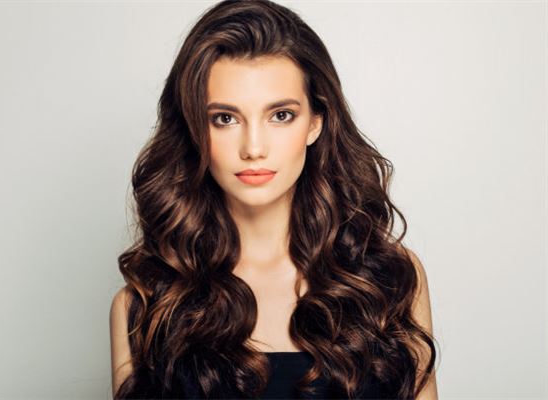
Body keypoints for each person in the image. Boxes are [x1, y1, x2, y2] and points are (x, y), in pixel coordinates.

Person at [110, 0, 439, 398]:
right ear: (194, 129)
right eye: (224, 118)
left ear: (315, 122)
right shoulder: (146, 303)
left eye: (280, 115)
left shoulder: (390, 278)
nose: (253, 148)